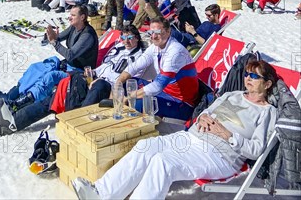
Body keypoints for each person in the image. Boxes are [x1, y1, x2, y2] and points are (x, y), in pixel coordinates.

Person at [72, 60, 278, 200]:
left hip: (221, 155)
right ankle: (102, 193)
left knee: (164, 162)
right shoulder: (231, 95)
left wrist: (227, 135)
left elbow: (256, 150)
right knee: (146, 146)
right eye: (247, 74)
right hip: (193, 138)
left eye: (255, 76)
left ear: (268, 84)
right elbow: (206, 112)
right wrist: (204, 117)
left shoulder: (267, 112)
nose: (248, 78)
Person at [0, 6, 99, 135]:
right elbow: (57, 38)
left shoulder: (87, 35)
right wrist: (49, 36)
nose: (69, 17)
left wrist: (54, 42)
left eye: (73, 15)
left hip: (78, 72)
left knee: (50, 76)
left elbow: (70, 54)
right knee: (38, 68)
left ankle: (17, 104)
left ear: (82, 17)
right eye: (70, 14)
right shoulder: (74, 27)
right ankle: (10, 96)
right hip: (68, 65)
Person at [115, 17, 199, 121]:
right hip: (164, 93)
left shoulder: (175, 52)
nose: (153, 36)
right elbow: (135, 66)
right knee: (126, 83)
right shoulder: (156, 46)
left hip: (180, 103)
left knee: (140, 103)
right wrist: (117, 84)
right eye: (151, 32)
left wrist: (129, 97)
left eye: (158, 32)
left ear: (168, 32)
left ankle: (129, 126)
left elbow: (157, 86)